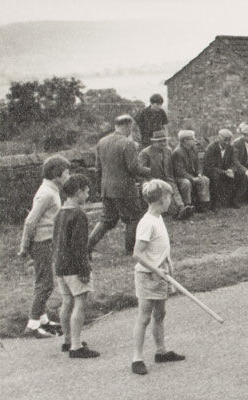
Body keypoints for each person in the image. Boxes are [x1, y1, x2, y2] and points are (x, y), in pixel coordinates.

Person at [131, 179, 186, 375]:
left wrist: (168, 261)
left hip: (161, 273)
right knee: (144, 317)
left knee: (160, 314)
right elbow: (137, 254)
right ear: (162, 199)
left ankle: (161, 351)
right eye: (170, 196)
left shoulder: (159, 218)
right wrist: (155, 269)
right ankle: (137, 358)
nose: (171, 200)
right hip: (148, 276)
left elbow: (160, 246)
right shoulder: (147, 223)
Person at [18, 155, 70, 338]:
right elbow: (30, 221)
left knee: (43, 281)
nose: (68, 176)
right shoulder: (47, 193)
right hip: (41, 242)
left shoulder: (52, 189)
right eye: (66, 173)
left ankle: (43, 320)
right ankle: (32, 326)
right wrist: (24, 247)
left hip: (48, 241)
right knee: (46, 284)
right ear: (56, 175)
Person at [88, 115, 151, 256]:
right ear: (127, 126)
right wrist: (150, 171)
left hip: (107, 188)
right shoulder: (127, 143)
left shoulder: (101, 142)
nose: (131, 130)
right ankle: (130, 250)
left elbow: (98, 168)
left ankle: (88, 244)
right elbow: (133, 168)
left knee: (107, 219)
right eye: (131, 127)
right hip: (124, 189)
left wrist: (100, 188)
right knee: (133, 218)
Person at [52, 174, 100, 358]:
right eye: (87, 191)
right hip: (74, 267)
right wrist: (84, 269)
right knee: (80, 303)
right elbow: (80, 246)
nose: (88, 195)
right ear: (79, 192)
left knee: (66, 302)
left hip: (60, 265)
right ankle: (76, 346)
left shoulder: (60, 212)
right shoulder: (78, 214)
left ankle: (67, 339)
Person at [138, 130, 192, 220]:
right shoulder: (145, 153)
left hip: (168, 178)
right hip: (152, 180)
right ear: (153, 142)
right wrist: (148, 181)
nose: (163, 143)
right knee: (167, 188)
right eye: (160, 141)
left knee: (177, 185)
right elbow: (140, 171)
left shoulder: (168, 151)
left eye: (164, 141)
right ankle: (179, 210)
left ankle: (184, 208)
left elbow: (172, 167)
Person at [171, 130, 211, 213]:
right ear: (185, 141)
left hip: (192, 175)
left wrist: (199, 174)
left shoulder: (193, 149)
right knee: (186, 183)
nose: (195, 140)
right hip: (180, 177)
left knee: (205, 179)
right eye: (192, 139)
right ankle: (187, 206)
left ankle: (203, 205)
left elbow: (198, 163)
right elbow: (179, 171)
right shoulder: (177, 152)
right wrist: (192, 178)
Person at [204, 129, 243, 210]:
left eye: (229, 140)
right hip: (212, 171)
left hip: (225, 171)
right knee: (215, 176)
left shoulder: (230, 148)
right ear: (219, 138)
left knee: (240, 174)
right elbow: (209, 166)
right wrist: (224, 172)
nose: (227, 143)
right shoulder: (211, 148)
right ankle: (214, 203)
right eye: (225, 140)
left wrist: (231, 170)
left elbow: (234, 162)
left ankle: (233, 200)